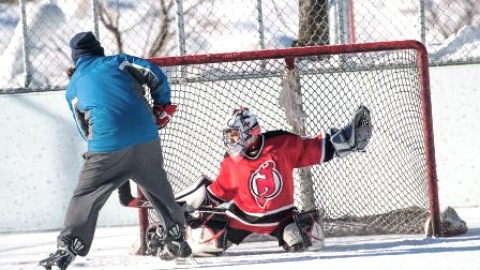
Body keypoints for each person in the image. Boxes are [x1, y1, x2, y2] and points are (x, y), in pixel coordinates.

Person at [38, 31, 192, 270]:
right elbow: (155, 73)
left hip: (106, 148)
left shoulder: (74, 87)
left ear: (75, 58)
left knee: (86, 195)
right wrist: (162, 105)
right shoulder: (119, 61)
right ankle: (175, 234)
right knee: (157, 186)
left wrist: (98, 152)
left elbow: (83, 129)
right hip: (146, 137)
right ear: (98, 50)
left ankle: (67, 248)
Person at [168, 106, 373, 256]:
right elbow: (219, 191)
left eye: (234, 135)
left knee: (310, 240)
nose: (230, 141)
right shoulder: (231, 161)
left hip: (281, 217)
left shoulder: (281, 144)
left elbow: (314, 149)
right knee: (203, 244)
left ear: (250, 131)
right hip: (241, 219)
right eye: (229, 136)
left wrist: (347, 140)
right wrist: (190, 211)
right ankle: (167, 236)